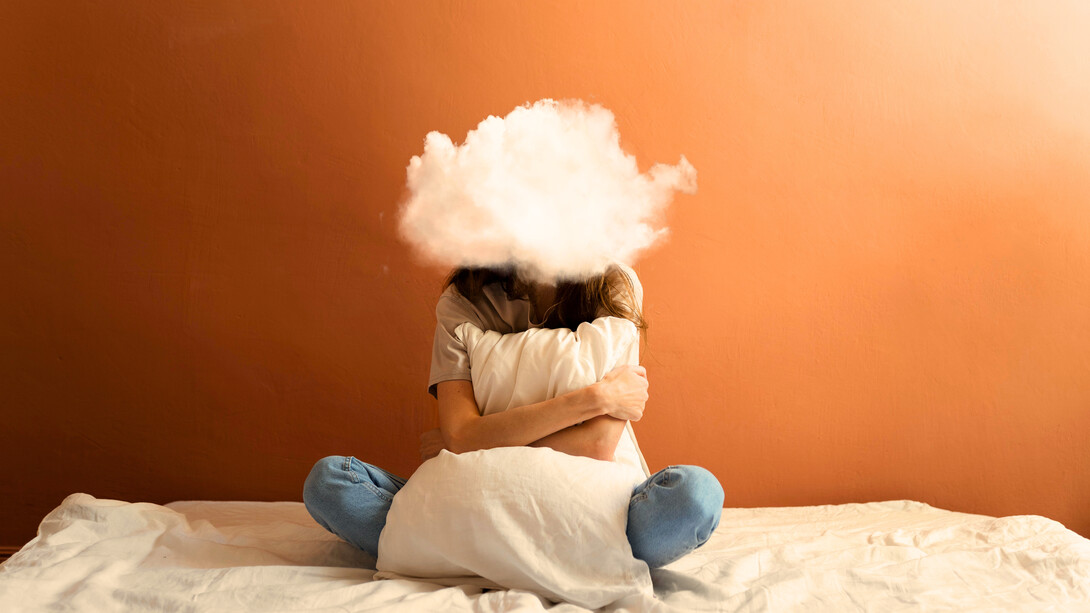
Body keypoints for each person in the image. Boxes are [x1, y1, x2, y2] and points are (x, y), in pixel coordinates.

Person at [302, 263, 724, 569]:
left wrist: (467, 443)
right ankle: (552, 556)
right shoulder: (463, 300)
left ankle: (464, 552)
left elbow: (595, 446)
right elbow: (465, 436)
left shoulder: (613, 284)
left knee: (697, 496)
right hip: (475, 494)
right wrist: (595, 398)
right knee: (329, 482)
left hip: (585, 500)